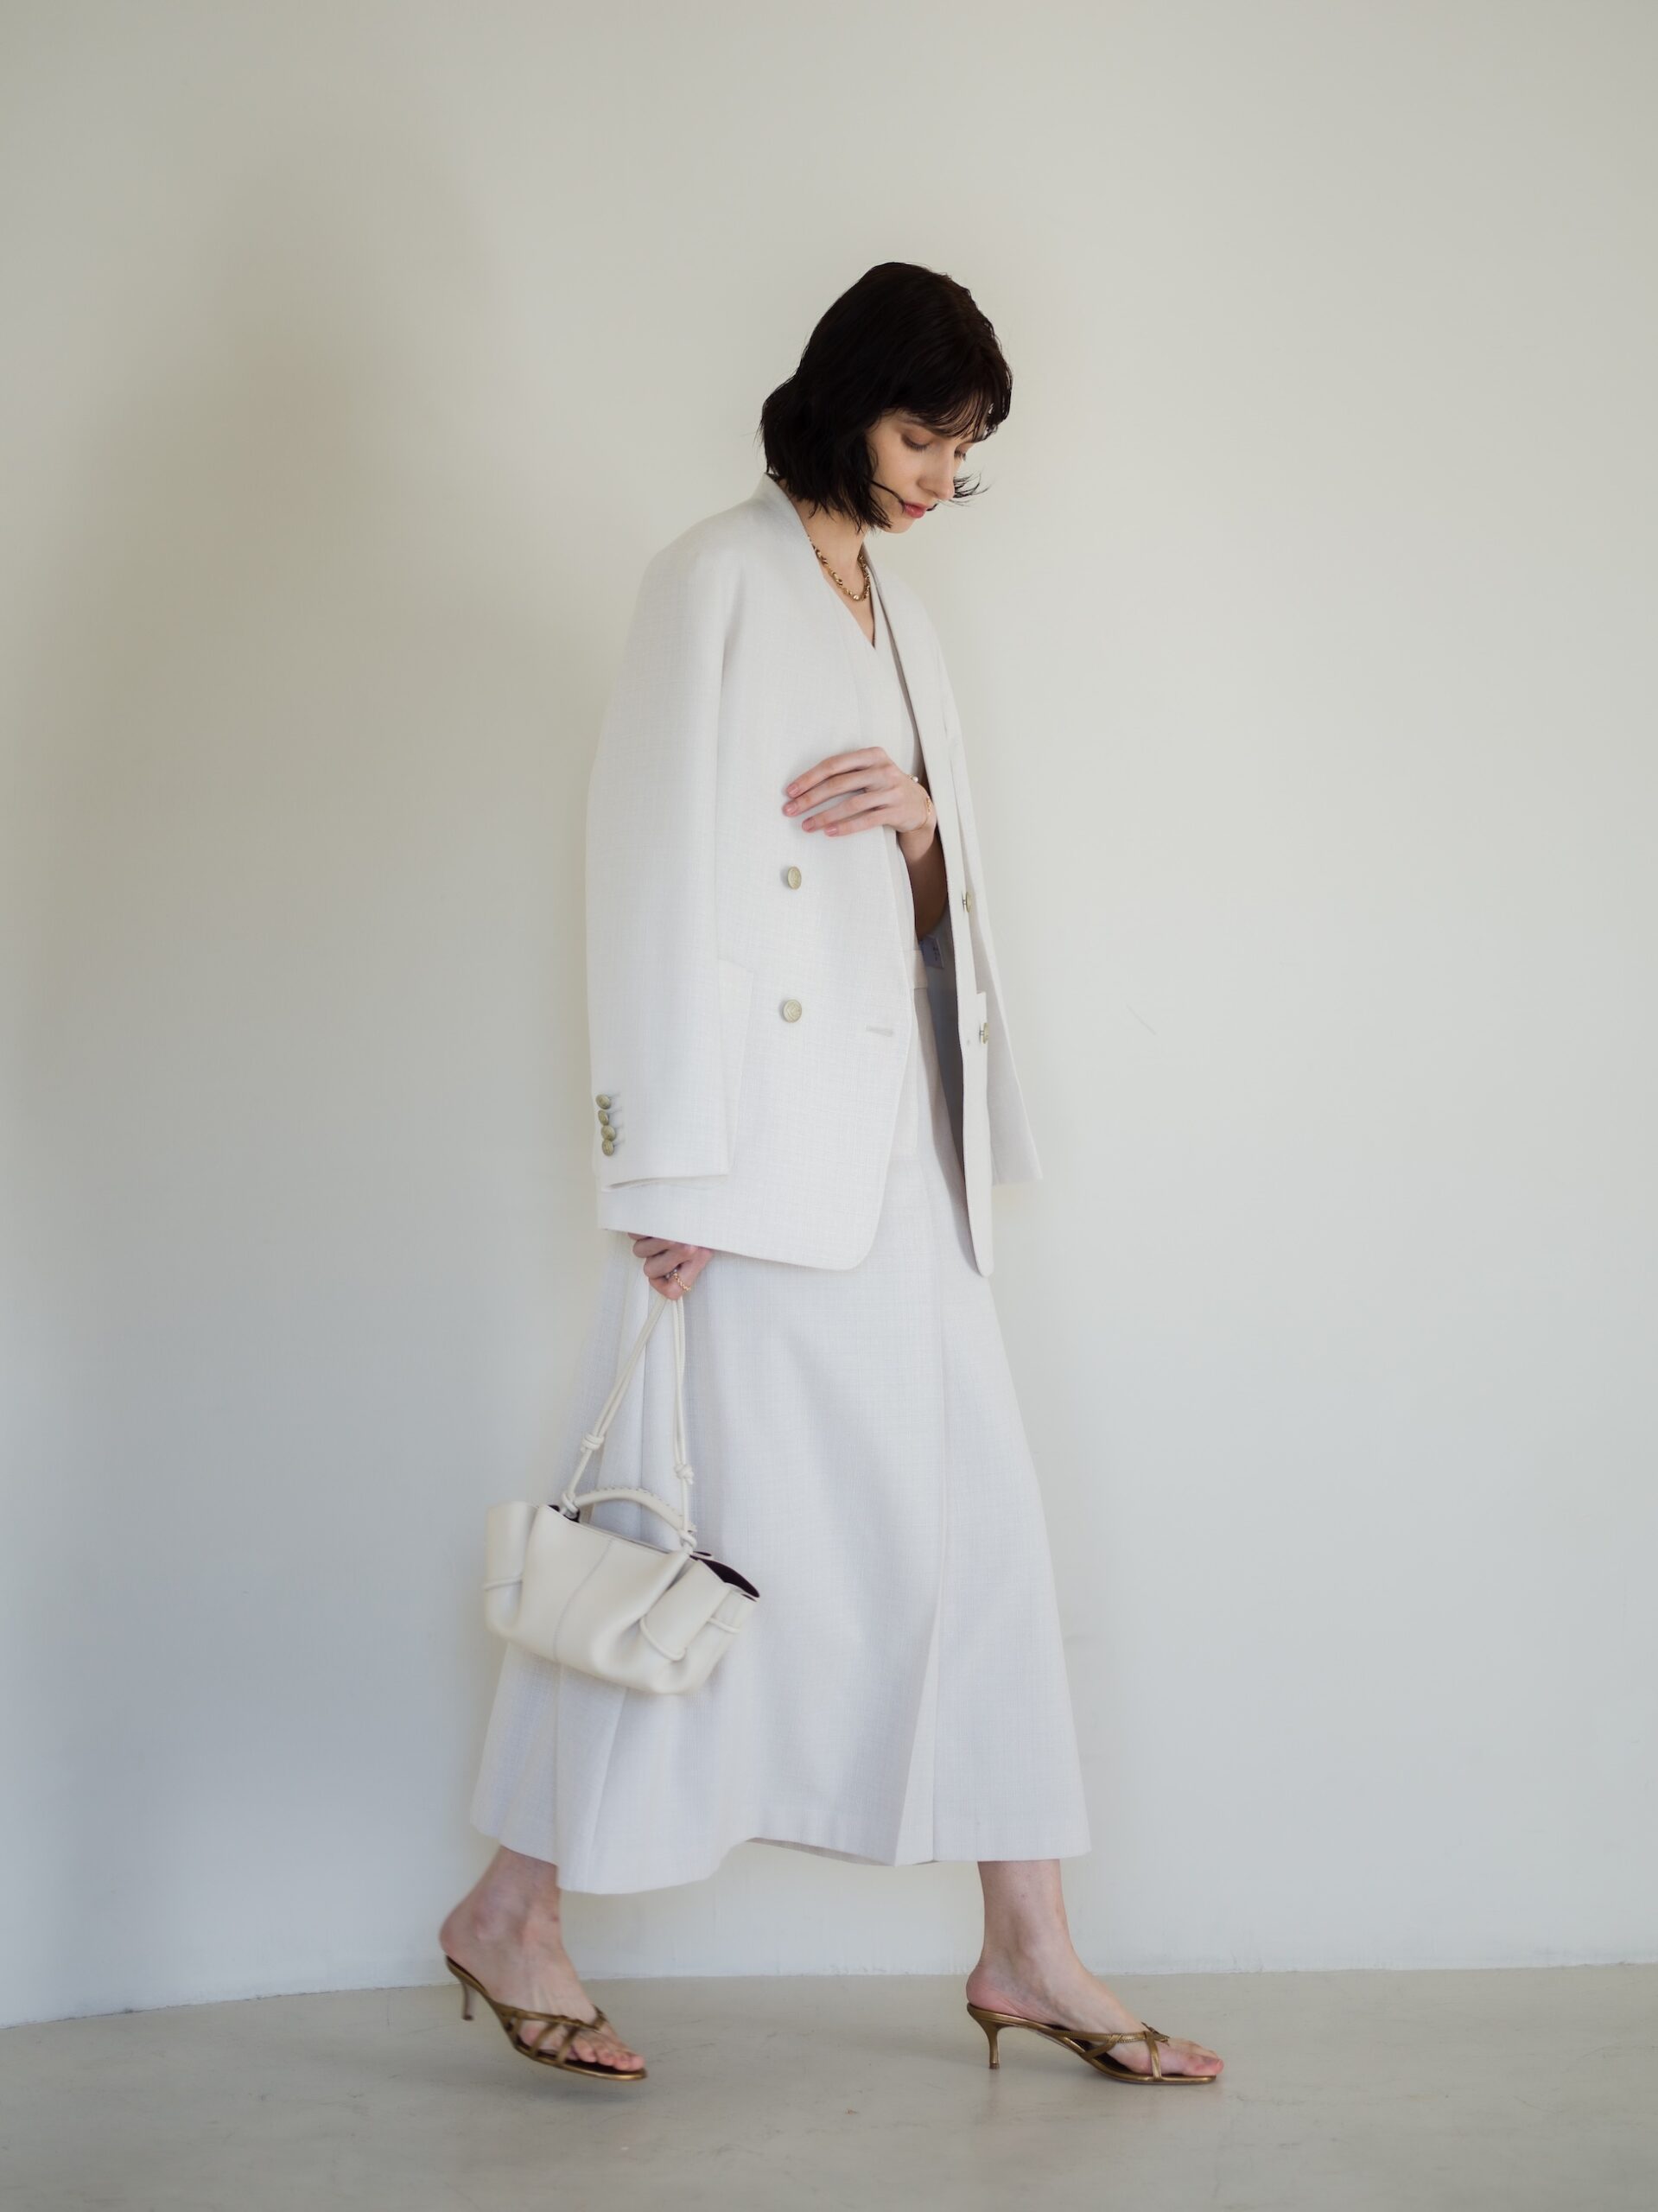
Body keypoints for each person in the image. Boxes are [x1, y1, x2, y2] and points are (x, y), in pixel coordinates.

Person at [439, 263, 1224, 2087]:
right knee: (677, 1538)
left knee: (982, 1538)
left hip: (900, 1160)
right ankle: (513, 1907)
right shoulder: (712, 577)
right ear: (844, 399)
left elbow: (925, 899)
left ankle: (1029, 1943)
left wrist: (929, 832)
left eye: (965, 450)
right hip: (754, 1180)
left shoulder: (903, 614)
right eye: (921, 435)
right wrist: (663, 1174)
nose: (943, 476)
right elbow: (645, 867)